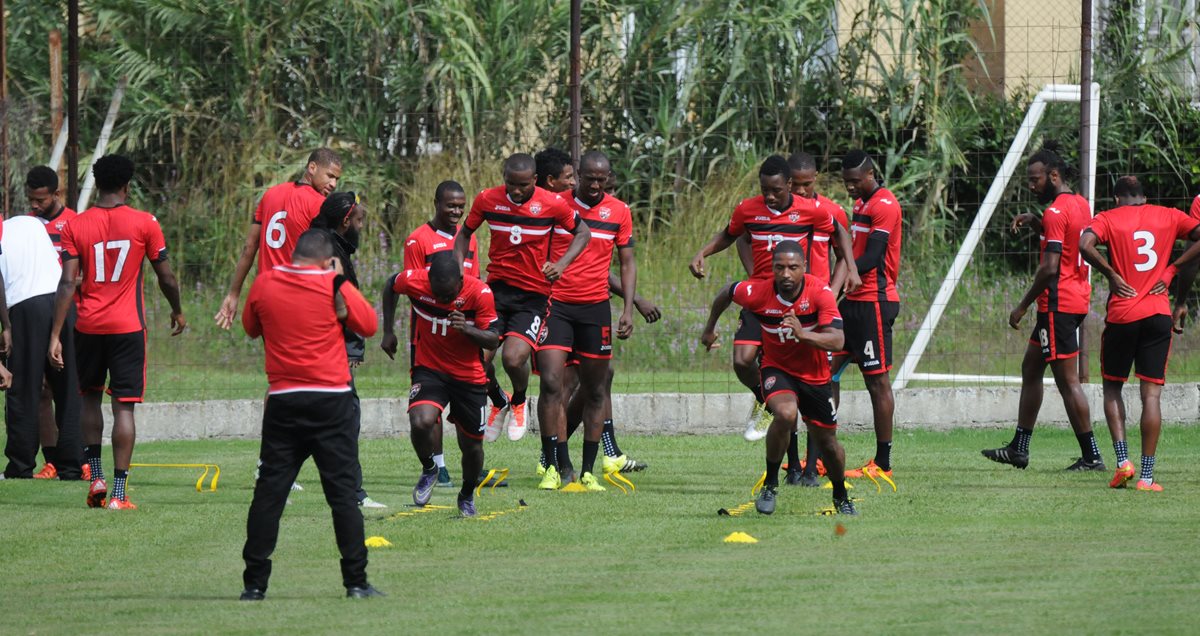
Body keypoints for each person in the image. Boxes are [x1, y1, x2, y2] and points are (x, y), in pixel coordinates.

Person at [239, 229, 381, 600]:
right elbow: (368, 325)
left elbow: (250, 328)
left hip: (284, 400)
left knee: (269, 493)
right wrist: (339, 281)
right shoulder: (332, 283)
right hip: (331, 400)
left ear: (295, 255)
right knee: (342, 495)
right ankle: (356, 583)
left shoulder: (265, 283)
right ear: (327, 259)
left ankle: (254, 585)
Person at [48, 154, 186, 510]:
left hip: (88, 326)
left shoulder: (75, 225)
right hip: (128, 328)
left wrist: (55, 334)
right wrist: (177, 310)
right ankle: (119, 494)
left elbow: (67, 283)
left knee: (89, 400)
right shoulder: (145, 222)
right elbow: (166, 277)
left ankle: (96, 476)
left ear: (97, 183)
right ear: (127, 185)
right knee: (124, 408)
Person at [690, 155, 858, 442]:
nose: (769, 196)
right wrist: (702, 252)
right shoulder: (748, 209)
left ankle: (807, 452)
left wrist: (851, 269)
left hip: (795, 301)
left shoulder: (810, 210)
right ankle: (765, 398)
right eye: (764, 189)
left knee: (805, 375)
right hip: (762, 297)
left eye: (776, 190)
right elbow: (731, 235)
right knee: (742, 361)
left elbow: (840, 232)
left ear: (788, 185)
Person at [700, 241, 855, 516]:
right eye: (779, 267)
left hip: (815, 376)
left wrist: (803, 334)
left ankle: (840, 495)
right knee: (785, 414)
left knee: (828, 443)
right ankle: (770, 485)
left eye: (793, 267)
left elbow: (838, 340)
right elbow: (728, 292)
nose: (786, 274)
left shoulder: (820, 292)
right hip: (777, 369)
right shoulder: (758, 292)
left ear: (804, 267)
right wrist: (709, 328)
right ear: (772, 268)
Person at [452, 153, 591, 442]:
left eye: (523, 185)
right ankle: (498, 399)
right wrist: (460, 272)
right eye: (511, 184)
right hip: (496, 292)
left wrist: (561, 264)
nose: (516, 191)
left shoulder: (552, 203)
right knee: (475, 361)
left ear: (535, 180)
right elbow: (463, 234)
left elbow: (583, 233)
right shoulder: (487, 199)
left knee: (513, 359)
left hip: (533, 295)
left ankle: (518, 399)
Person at [534, 149, 655, 479]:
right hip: (556, 306)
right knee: (554, 383)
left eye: (602, 180)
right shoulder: (557, 205)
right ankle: (556, 461)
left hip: (594, 309)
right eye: (589, 179)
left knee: (597, 383)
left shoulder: (619, 212)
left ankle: (589, 461)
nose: (595, 186)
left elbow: (626, 263)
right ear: (578, 175)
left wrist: (629, 308)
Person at [981, 145, 1102, 471]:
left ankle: (1092, 456)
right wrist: (1037, 223)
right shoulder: (1080, 204)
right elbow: (1067, 243)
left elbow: (1050, 268)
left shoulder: (1055, 212)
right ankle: (1018, 448)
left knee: (1067, 382)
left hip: (1057, 305)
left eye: (1035, 180)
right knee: (1031, 368)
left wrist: (1022, 306)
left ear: (1054, 175)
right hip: (1075, 298)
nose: (1031, 186)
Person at [1079, 176, 1200, 491]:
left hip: (1123, 314)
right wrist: (1172, 269)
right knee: (1151, 395)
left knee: (1112, 388)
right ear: (1144, 197)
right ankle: (1147, 477)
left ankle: (1123, 463)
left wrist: (1110, 273)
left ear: (1117, 199)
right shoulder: (1169, 215)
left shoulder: (1107, 218)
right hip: (1158, 314)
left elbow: (1084, 245)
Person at [381, 253, 498, 515]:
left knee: (472, 447)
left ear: (460, 281)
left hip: (468, 376)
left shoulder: (480, 293)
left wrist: (467, 329)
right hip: (430, 369)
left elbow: (493, 339)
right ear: (428, 280)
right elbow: (390, 285)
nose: (443, 300)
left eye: (449, 295)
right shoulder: (414, 281)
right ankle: (429, 468)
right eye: (438, 294)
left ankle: (466, 494)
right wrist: (388, 330)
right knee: (420, 421)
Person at [309, 192, 385, 509]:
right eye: (359, 220)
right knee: (346, 417)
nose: (362, 227)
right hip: (328, 349)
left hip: (308, 347)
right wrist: (352, 348)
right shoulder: (330, 254)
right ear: (345, 222)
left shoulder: (321, 244)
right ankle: (353, 493)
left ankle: (274, 477)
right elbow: (342, 304)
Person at [829, 150, 901, 481]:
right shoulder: (860, 204)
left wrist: (845, 277)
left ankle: (882, 463)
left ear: (870, 175)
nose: (850, 188)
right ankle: (822, 454)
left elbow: (872, 256)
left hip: (874, 302)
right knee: (825, 372)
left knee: (877, 381)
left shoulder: (885, 205)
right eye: (846, 182)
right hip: (853, 301)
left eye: (855, 181)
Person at [215, 148, 342, 329]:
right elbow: (329, 259)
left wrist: (233, 294)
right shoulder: (319, 204)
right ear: (312, 167)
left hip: (266, 298)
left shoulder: (270, 195)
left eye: (337, 179)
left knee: (273, 348)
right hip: (297, 299)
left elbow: (249, 247)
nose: (333, 184)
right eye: (330, 176)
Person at [785, 152, 851, 488]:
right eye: (795, 185)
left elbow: (844, 255)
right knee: (786, 386)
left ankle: (812, 467)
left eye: (807, 184)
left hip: (818, 309)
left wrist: (832, 291)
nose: (801, 191)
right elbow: (744, 236)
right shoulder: (779, 212)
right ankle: (792, 465)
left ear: (816, 179)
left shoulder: (831, 211)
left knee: (817, 385)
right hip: (785, 306)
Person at [3, 214, 81, 480]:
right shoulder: (32, 223)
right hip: (61, 301)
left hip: (25, 306)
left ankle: (20, 466)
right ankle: (72, 466)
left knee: (23, 388)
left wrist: (6, 326)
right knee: (68, 387)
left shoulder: (6, 232)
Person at [21, 165, 84, 480]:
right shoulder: (27, 226)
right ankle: (52, 460)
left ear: (56, 194)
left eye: (41, 200)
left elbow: (83, 273)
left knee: (69, 387)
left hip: (70, 314)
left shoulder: (75, 223)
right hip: (34, 314)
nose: (34, 206)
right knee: (41, 389)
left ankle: (79, 458)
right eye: (31, 199)